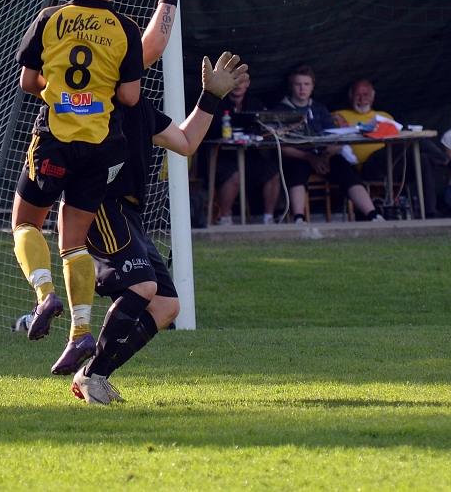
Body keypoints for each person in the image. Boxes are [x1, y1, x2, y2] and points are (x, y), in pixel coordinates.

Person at [13, 0, 155, 376]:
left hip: (55, 141)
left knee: (25, 223)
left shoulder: (50, 18)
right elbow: (129, 96)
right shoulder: (125, 28)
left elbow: (28, 81)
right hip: (99, 149)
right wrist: (96, 96)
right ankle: (80, 333)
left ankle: (44, 296)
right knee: (74, 243)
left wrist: (63, 95)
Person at [72, 53, 248, 404]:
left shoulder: (142, 109)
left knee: (166, 306)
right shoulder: (91, 104)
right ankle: (92, 378)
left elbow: (186, 142)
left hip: (130, 214)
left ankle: (93, 374)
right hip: (100, 206)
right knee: (142, 286)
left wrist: (211, 96)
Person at [333, 79, 451, 218]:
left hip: (394, 167)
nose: (362, 99)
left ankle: (430, 212)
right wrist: (335, 116)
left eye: (366, 94)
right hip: (369, 167)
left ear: (372, 97)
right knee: (414, 142)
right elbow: (324, 122)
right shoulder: (342, 115)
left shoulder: (385, 117)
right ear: (350, 97)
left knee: (423, 157)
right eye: (357, 95)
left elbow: (398, 141)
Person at [276, 65, 382, 223]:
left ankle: (373, 215)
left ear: (312, 86)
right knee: (296, 172)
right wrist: (310, 158)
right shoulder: (281, 111)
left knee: (346, 170)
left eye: (306, 84)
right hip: (299, 157)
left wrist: (326, 156)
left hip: (324, 156)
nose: (302, 89)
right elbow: (282, 147)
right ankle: (298, 218)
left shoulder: (319, 109)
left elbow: (337, 139)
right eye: (298, 84)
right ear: (291, 86)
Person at [205, 77, 281, 225]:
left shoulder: (255, 103)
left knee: (273, 172)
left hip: (249, 155)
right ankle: (225, 218)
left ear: (248, 83)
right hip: (222, 156)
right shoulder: (217, 103)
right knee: (235, 175)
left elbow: (262, 128)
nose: (238, 85)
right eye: (234, 79)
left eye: (242, 80)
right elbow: (211, 130)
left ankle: (268, 218)